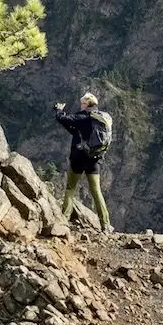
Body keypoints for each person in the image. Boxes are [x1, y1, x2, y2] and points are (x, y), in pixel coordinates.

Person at [54, 92, 113, 233]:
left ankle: (64, 219)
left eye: (82, 103)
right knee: (96, 191)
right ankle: (105, 224)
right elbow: (75, 130)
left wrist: (59, 110)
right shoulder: (101, 119)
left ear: (86, 104)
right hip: (94, 159)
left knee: (70, 188)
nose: (81, 105)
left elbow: (63, 119)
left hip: (78, 158)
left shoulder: (82, 117)